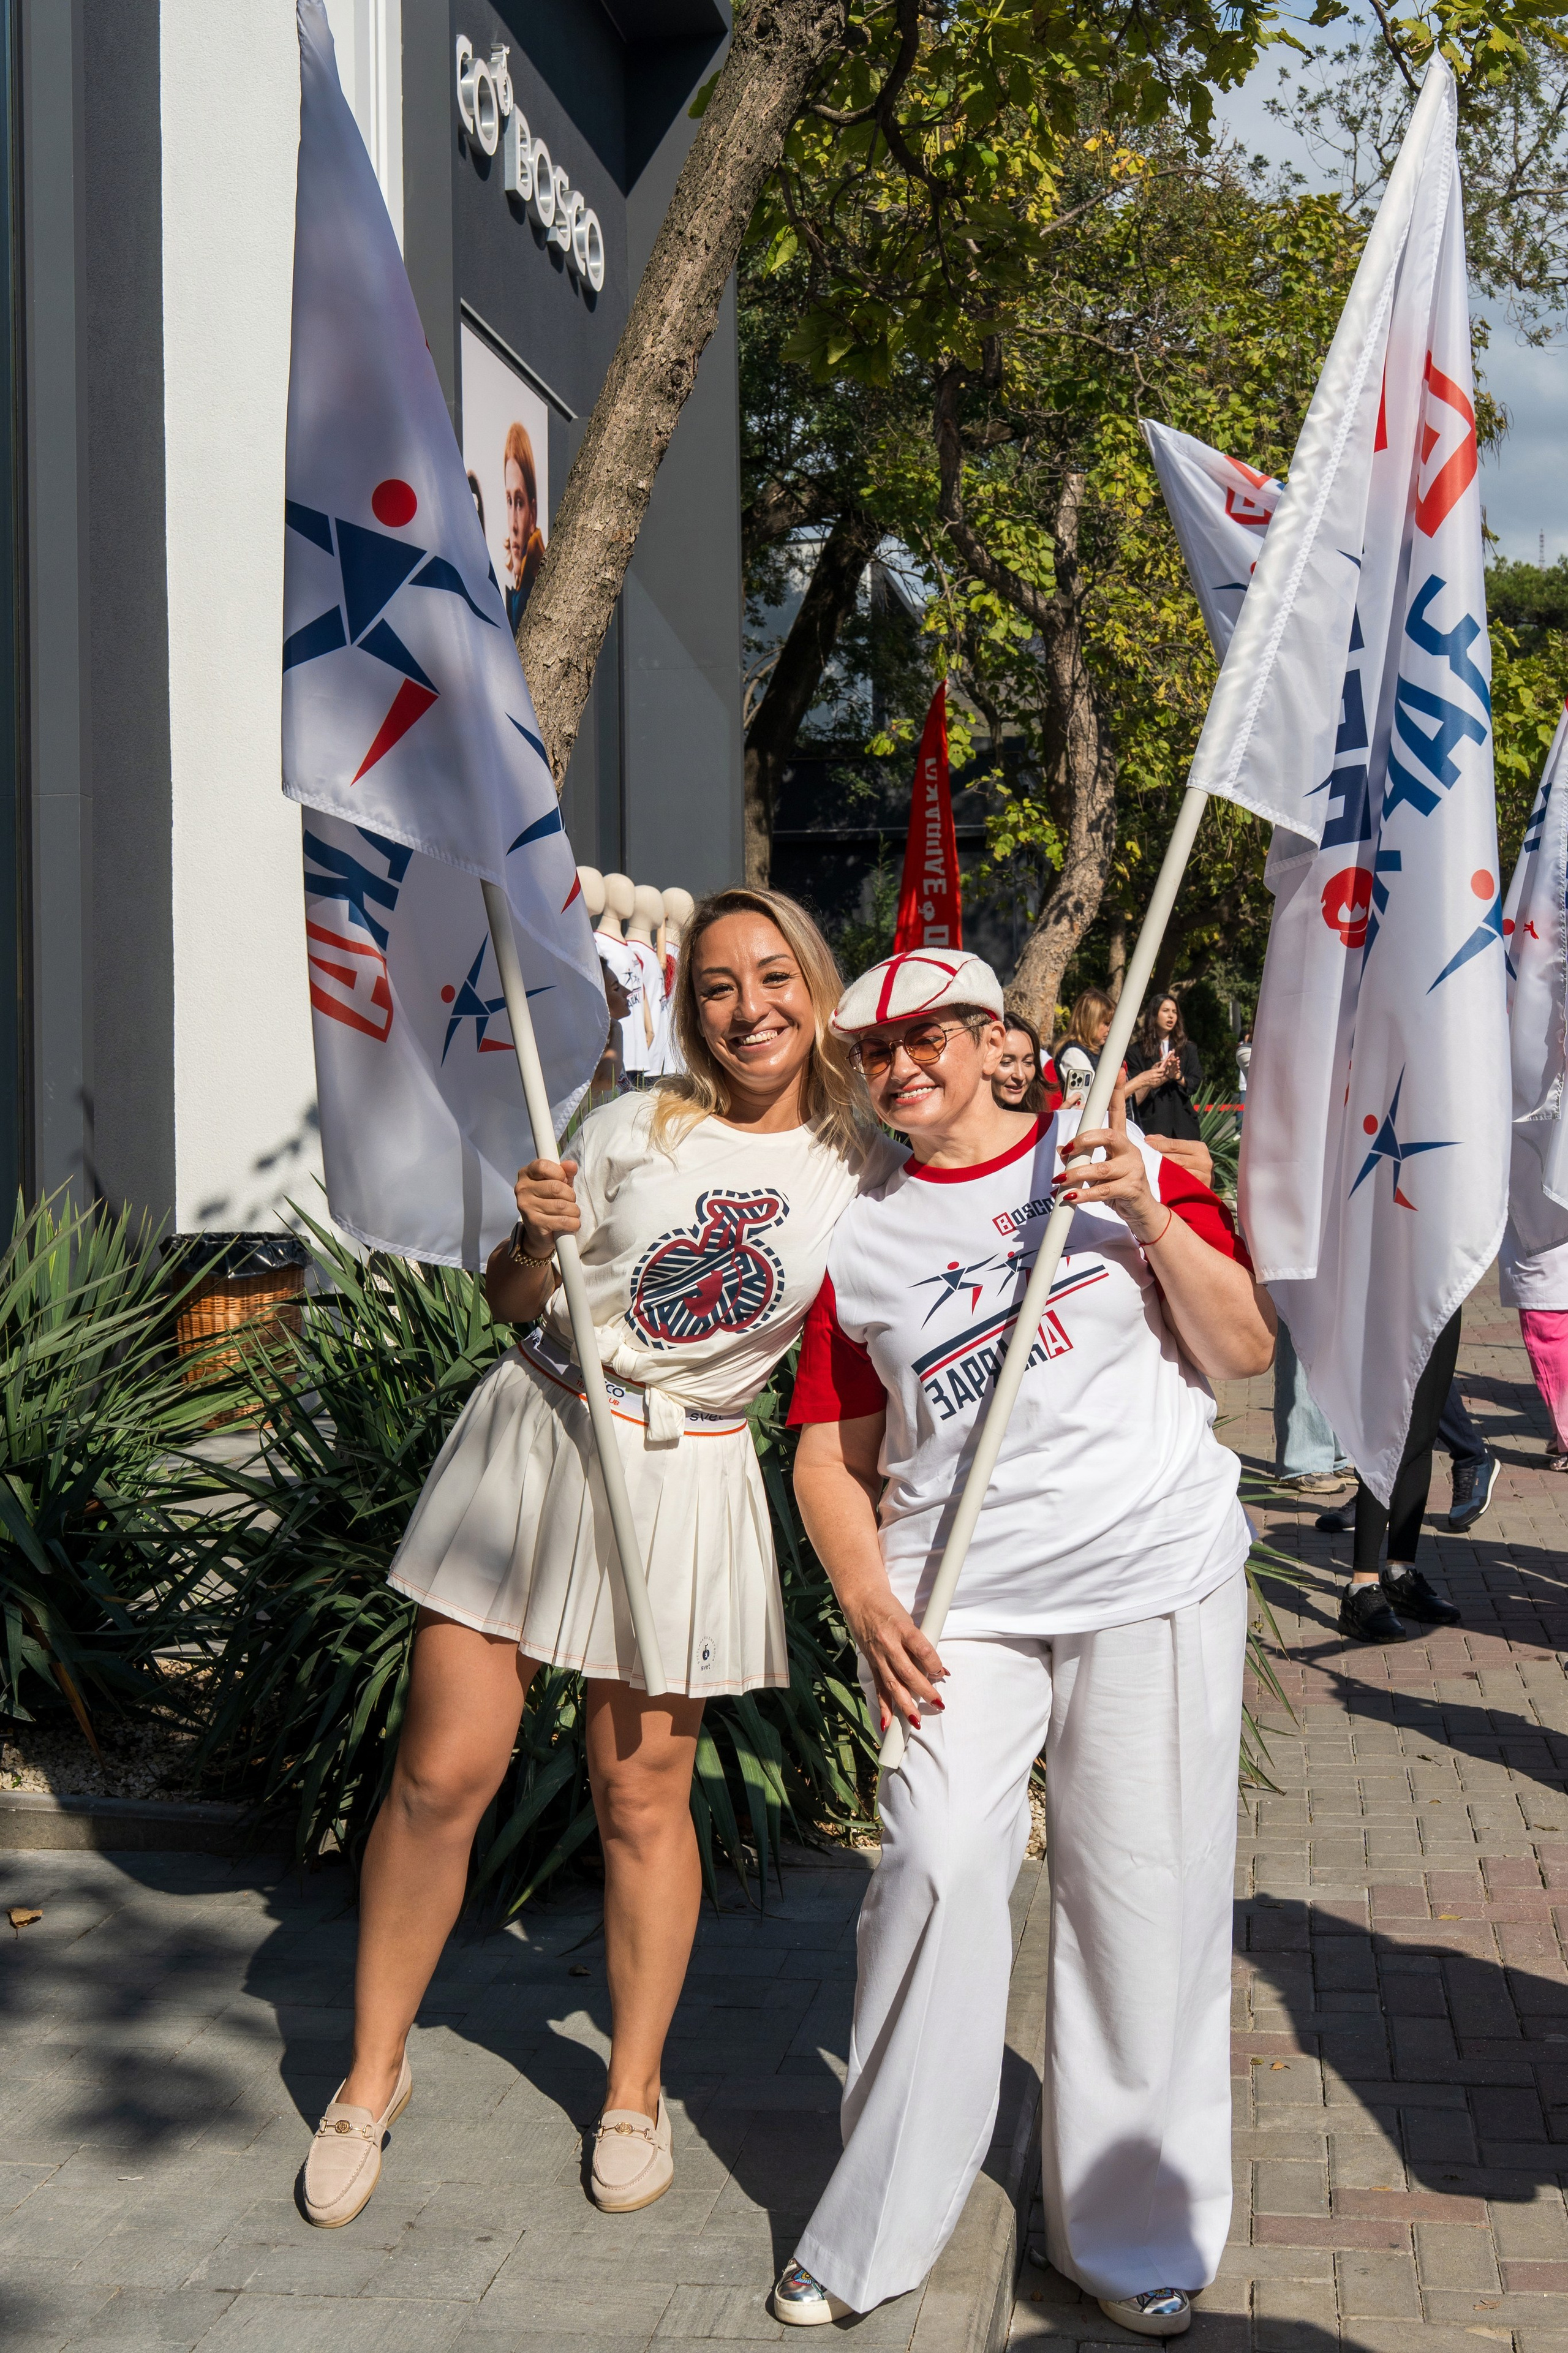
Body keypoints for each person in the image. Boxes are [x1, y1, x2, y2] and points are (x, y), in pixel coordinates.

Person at [301, 890, 895, 2232]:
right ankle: (369, 2074)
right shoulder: (634, 1122)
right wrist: (527, 1232)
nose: (750, 1009)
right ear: (690, 1007)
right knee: (442, 1771)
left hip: (686, 1477)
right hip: (538, 1435)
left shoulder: (864, 1170)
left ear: (815, 986)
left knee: (641, 1800)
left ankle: (629, 2090)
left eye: (773, 978)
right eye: (721, 987)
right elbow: (515, 1299)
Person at [769, 948, 1276, 2334]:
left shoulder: (1110, 1157)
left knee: (1141, 1898)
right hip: (957, 1606)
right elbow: (828, 1452)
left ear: (996, 1036)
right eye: (872, 1050)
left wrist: (1151, 1219)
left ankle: (1128, 2232)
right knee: (931, 1865)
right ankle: (871, 2224)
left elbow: (1237, 1347)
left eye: (925, 1035)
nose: (896, 1066)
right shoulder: (859, 1230)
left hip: (1147, 1573)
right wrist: (866, 1596)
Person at [1316, 1312, 1468, 1642]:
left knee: (1423, 1436)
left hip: (1441, 1281)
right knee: (1385, 1435)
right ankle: (1362, 1586)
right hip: (1391, 1290)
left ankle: (1401, 1573)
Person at [1125, 994, 1203, 1143]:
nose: (1171, 1016)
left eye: (1174, 1012)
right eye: (1166, 1011)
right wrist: (1157, 1076)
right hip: (1152, 1123)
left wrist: (1177, 1076)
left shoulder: (1188, 1049)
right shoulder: (1136, 1051)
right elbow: (1134, 1093)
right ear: (1154, 1014)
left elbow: (1195, 1081)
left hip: (1183, 1124)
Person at [503, 419, 546, 630]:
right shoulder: (518, 591)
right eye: (509, 501)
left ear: (533, 513)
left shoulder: (534, 593)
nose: (513, 525)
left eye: (519, 503)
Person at [992, 1007, 1060, 1117]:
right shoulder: (962, 1127)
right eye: (1006, 1062)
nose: (1020, 1076)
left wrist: (1055, 1129)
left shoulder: (1036, 1117)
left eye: (1028, 1063)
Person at [1052, 987, 1114, 1103]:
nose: (1109, 1029)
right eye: (1106, 1024)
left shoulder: (1099, 1052)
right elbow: (1095, 1099)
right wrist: (1138, 1082)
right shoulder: (1073, 1054)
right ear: (1090, 1022)